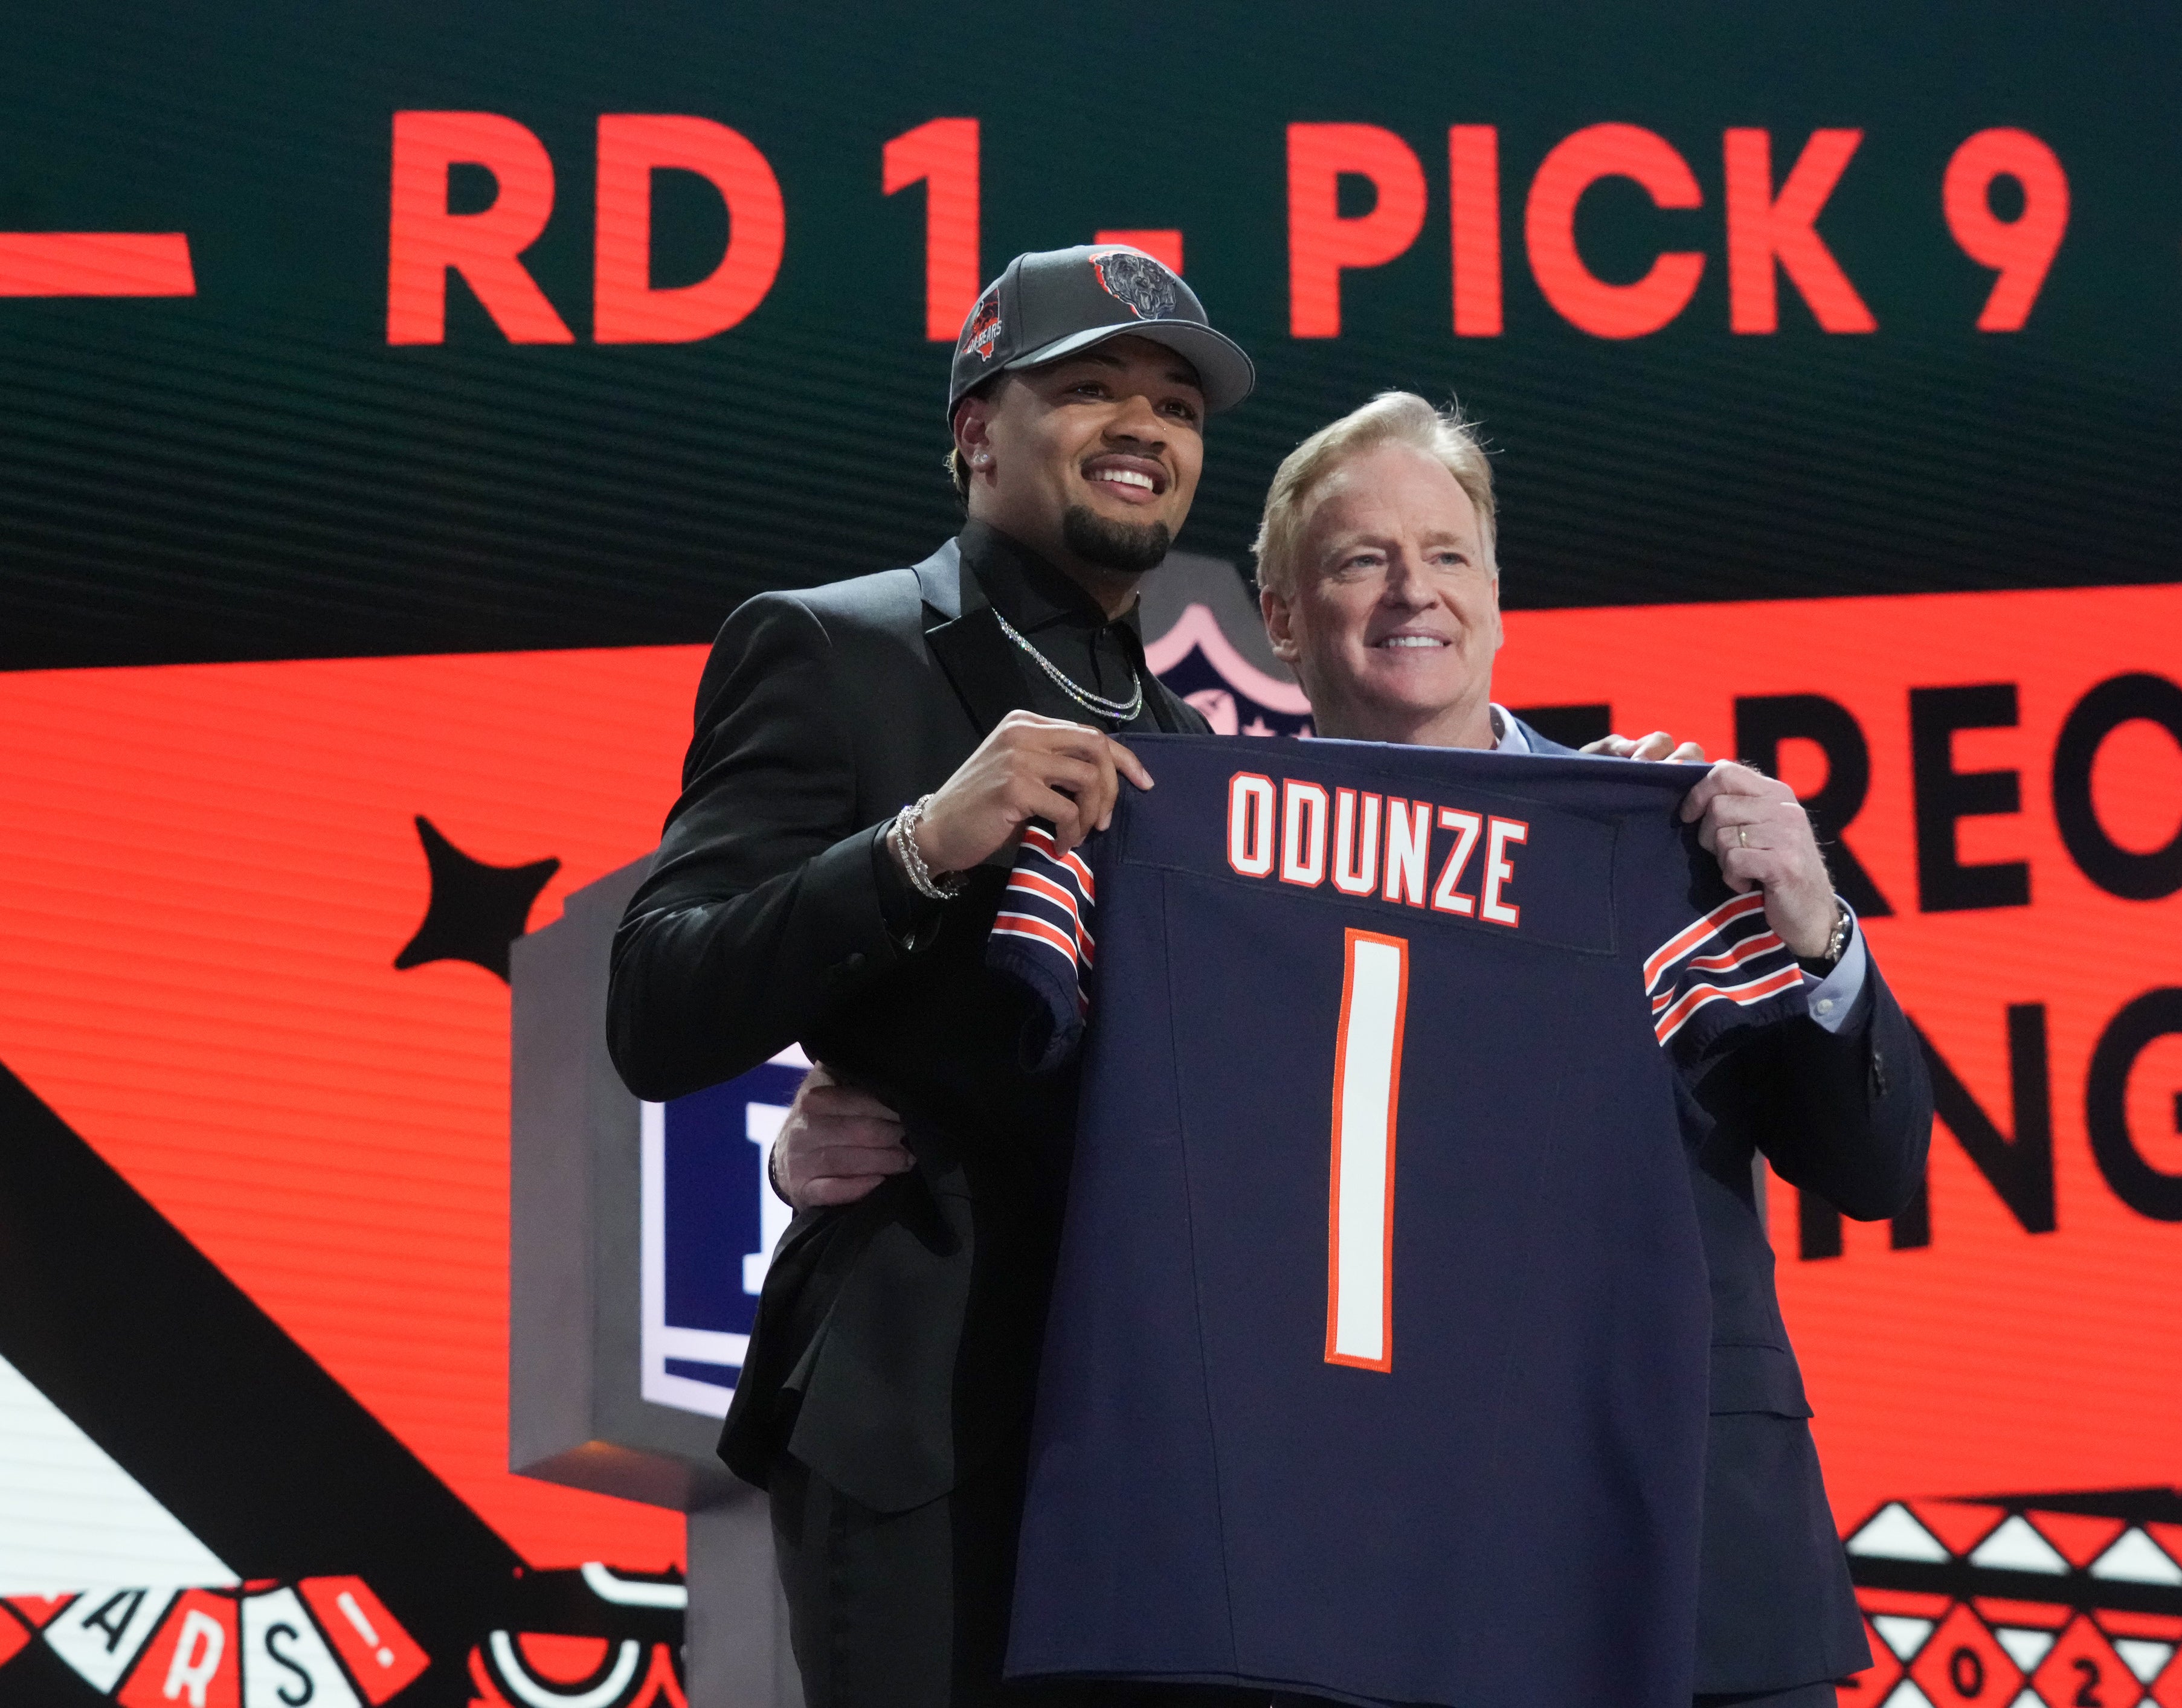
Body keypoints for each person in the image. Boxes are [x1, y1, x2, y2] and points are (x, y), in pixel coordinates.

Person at [774, 393, 1933, 1708]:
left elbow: (1877, 1167)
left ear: (1498, 593)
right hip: (1324, 1566)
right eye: (1359, 560)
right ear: (1278, 614)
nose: (1410, 593)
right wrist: (855, 1129)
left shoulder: (1663, 840)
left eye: (1446, 554)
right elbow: (1034, 1100)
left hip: (1669, 1550)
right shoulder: (1175, 838)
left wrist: (1820, 922)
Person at [608, 244, 1263, 1708]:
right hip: (918, 1427)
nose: (1144, 425)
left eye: (1177, 402)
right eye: (1090, 387)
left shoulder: (1202, 765)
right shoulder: (832, 648)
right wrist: (916, 847)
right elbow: (655, 1005)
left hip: (1149, 1438)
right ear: (975, 428)